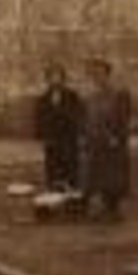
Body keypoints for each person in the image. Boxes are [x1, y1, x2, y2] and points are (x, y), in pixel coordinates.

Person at [80, 58, 132, 221]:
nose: (97, 77)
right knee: (97, 176)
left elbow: (124, 118)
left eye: (100, 73)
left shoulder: (119, 94)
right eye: (94, 74)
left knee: (114, 176)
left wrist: (116, 137)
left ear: (108, 74)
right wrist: (86, 138)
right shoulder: (91, 97)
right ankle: (103, 208)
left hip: (112, 142)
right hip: (95, 142)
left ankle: (114, 210)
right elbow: (87, 119)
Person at [33, 64, 83, 192]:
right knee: (53, 170)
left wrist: (77, 134)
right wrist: (42, 136)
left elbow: (78, 116)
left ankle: (72, 200)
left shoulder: (72, 96)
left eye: (58, 77)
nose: (55, 80)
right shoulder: (43, 99)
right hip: (52, 141)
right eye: (52, 77)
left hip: (68, 140)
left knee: (71, 169)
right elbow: (40, 119)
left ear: (63, 79)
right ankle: (54, 197)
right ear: (47, 80)